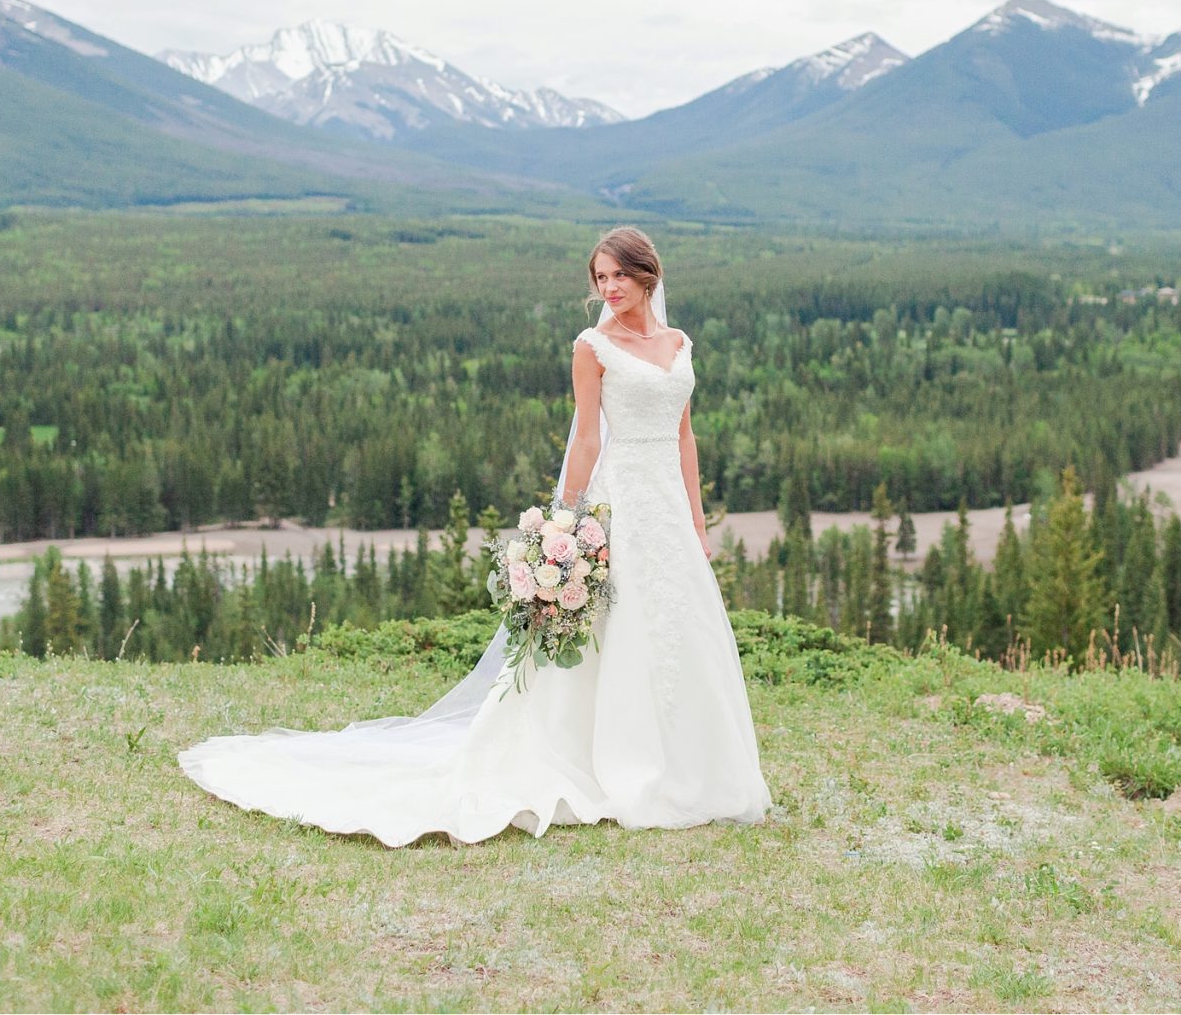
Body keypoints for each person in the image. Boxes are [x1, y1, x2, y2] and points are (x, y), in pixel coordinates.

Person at [177, 225, 772, 845]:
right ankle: (611, 760)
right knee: (615, 628)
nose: (608, 288)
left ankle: (691, 765)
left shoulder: (680, 344)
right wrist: (563, 523)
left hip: (668, 511)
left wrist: (698, 523)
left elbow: (684, 437)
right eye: (599, 278)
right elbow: (589, 440)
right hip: (617, 502)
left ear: (647, 273)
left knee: (679, 624)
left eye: (618, 275)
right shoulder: (592, 347)